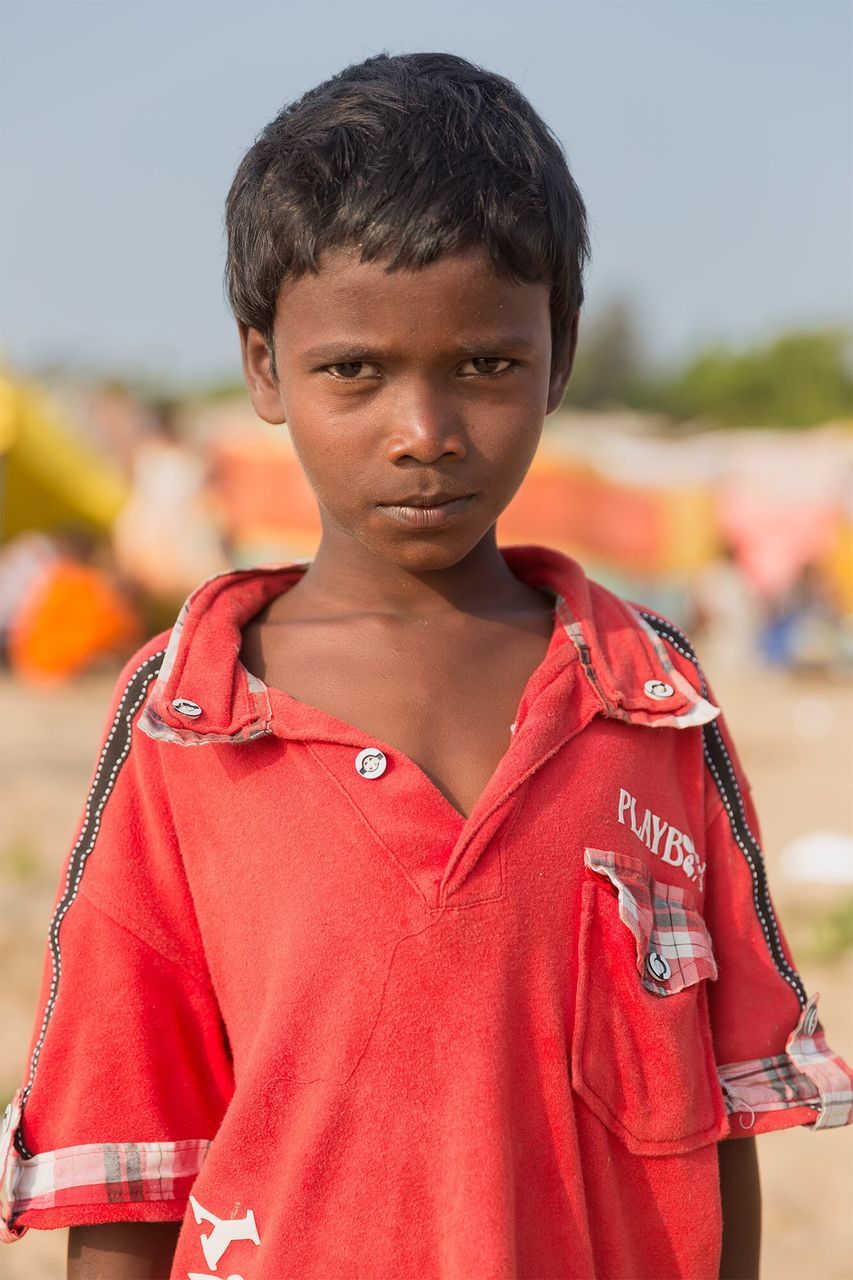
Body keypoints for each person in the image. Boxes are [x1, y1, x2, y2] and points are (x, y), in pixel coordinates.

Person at [1, 52, 851, 1280]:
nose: (425, 432)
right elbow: (132, 1155)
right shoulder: (188, 721)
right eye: (354, 369)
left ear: (557, 357)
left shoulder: (653, 700)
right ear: (263, 369)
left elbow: (712, 1119)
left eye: (486, 366)